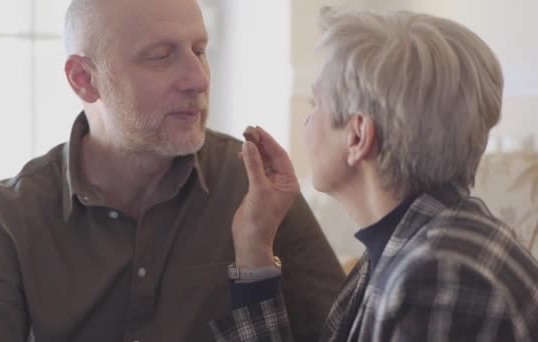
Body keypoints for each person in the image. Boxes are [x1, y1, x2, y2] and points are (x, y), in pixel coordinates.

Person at [0, 0, 346, 341]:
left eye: (199, 50)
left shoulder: (254, 186)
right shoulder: (6, 222)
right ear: (84, 80)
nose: (197, 79)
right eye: (161, 57)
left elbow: (345, 334)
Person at [210, 8, 538, 342]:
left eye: (315, 104)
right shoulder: (411, 246)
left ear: (357, 136)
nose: (306, 122)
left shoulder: (439, 276)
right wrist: (254, 243)